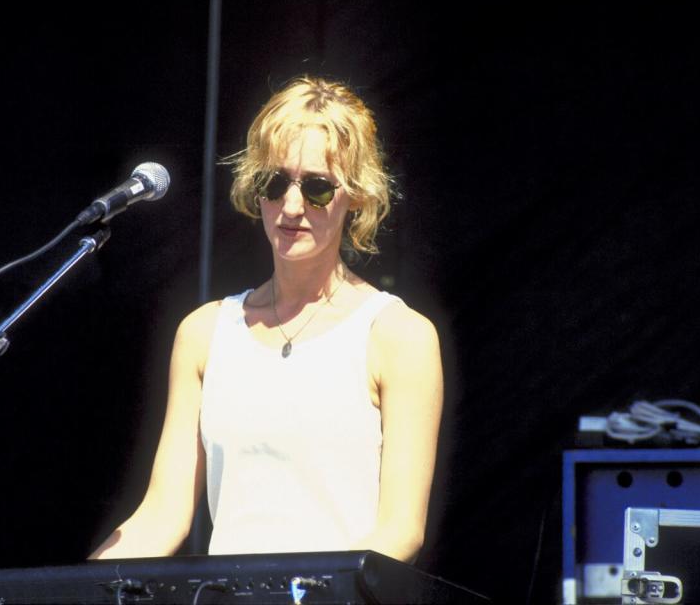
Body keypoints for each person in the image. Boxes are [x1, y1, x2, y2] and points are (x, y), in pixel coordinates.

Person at [90, 76, 442, 563]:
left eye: (317, 188)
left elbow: (400, 531)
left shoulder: (399, 336)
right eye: (275, 183)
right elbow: (162, 516)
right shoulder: (204, 333)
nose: (292, 206)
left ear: (357, 195)